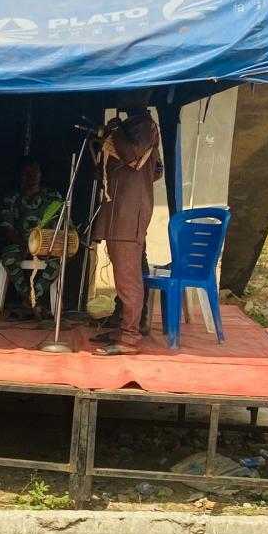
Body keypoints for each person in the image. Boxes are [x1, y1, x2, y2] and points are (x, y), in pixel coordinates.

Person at [90, 97, 162, 356]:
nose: (121, 99)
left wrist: (115, 130)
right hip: (119, 211)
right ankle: (123, 327)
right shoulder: (134, 126)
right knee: (123, 274)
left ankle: (130, 337)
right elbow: (154, 169)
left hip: (129, 213)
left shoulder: (144, 126)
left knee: (128, 278)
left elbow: (132, 154)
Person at [0, 158, 66, 321]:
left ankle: (30, 301)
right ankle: (34, 302)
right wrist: (28, 245)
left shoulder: (52, 197)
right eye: (28, 172)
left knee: (58, 261)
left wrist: (46, 244)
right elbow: (8, 229)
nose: (32, 174)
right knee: (8, 258)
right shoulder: (12, 198)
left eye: (36, 171)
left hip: (46, 245)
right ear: (21, 175)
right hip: (21, 244)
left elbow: (62, 225)